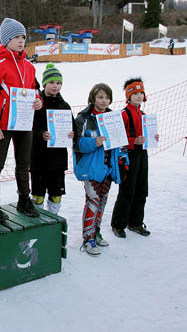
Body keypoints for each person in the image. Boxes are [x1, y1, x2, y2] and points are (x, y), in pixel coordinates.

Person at [0, 17, 43, 219]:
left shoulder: (29, 67)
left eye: (23, 36)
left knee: (24, 164)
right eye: (16, 36)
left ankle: (24, 199)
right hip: (2, 125)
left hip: (24, 123)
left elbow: (35, 90)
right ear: (5, 40)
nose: (21, 40)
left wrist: (38, 101)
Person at [74, 83, 128, 256]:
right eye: (100, 97)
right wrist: (94, 142)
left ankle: (96, 232)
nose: (104, 101)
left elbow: (121, 141)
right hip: (91, 166)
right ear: (93, 98)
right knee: (93, 200)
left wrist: (122, 161)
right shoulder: (84, 118)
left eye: (107, 97)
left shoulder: (113, 117)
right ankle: (87, 238)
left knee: (103, 200)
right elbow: (76, 144)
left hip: (107, 166)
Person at [111, 77, 158, 238]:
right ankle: (118, 224)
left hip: (142, 155)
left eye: (141, 93)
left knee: (142, 189)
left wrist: (153, 137)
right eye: (135, 93)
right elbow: (116, 138)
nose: (138, 96)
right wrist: (133, 141)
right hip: (128, 156)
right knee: (127, 190)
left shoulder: (143, 114)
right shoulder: (124, 114)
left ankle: (136, 222)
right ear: (128, 95)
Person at [30, 63, 73, 215]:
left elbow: (72, 128)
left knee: (56, 194)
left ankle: (53, 219)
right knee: (38, 195)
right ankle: (37, 222)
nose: (55, 86)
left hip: (58, 160)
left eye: (58, 83)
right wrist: (40, 135)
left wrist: (72, 135)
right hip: (39, 160)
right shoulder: (36, 104)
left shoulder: (65, 106)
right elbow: (29, 129)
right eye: (52, 82)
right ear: (44, 84)